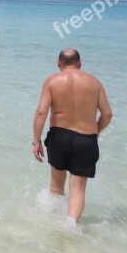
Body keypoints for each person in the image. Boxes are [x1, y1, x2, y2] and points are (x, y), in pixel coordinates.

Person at [33, 49, 113, 222]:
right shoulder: (94, 83)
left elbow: (41, 112)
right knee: (77, 189)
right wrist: (96, 130)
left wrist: (36, 141)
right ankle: (70, 226)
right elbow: (107, 115)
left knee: (56, 185)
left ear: (58, 63)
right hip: (86, 139)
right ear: (79, 63)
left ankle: (49, 220)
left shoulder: (52, 81)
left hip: (58, 137)